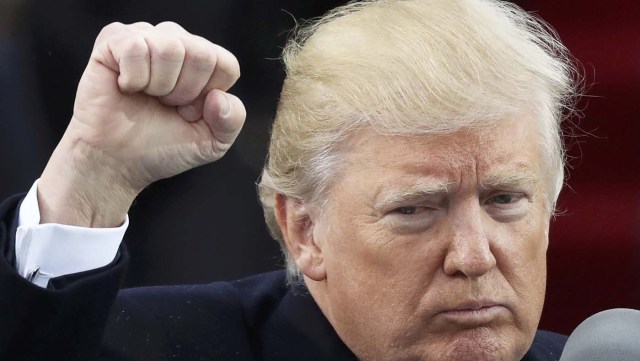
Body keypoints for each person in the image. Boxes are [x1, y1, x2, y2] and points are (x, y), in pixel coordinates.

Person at [0, 0, 579, 360]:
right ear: (304, 230)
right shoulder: (160, 345)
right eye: (416, 209)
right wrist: (88, 186)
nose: (474, 256)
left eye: (506, 200)